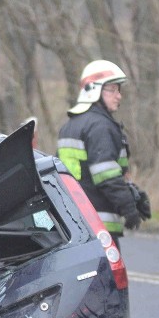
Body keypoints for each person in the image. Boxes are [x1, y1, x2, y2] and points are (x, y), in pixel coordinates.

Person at [57, 60, 150, 246]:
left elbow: (80, 174)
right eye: (113, 89)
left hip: (74, 222)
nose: (119, 96)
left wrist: (132, 193)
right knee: (111, 275)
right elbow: (106, 176)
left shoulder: (70, 126)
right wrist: (129, 208)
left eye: (119, 90)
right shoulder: (100, 126)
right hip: (99, 225)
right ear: (94, 89)